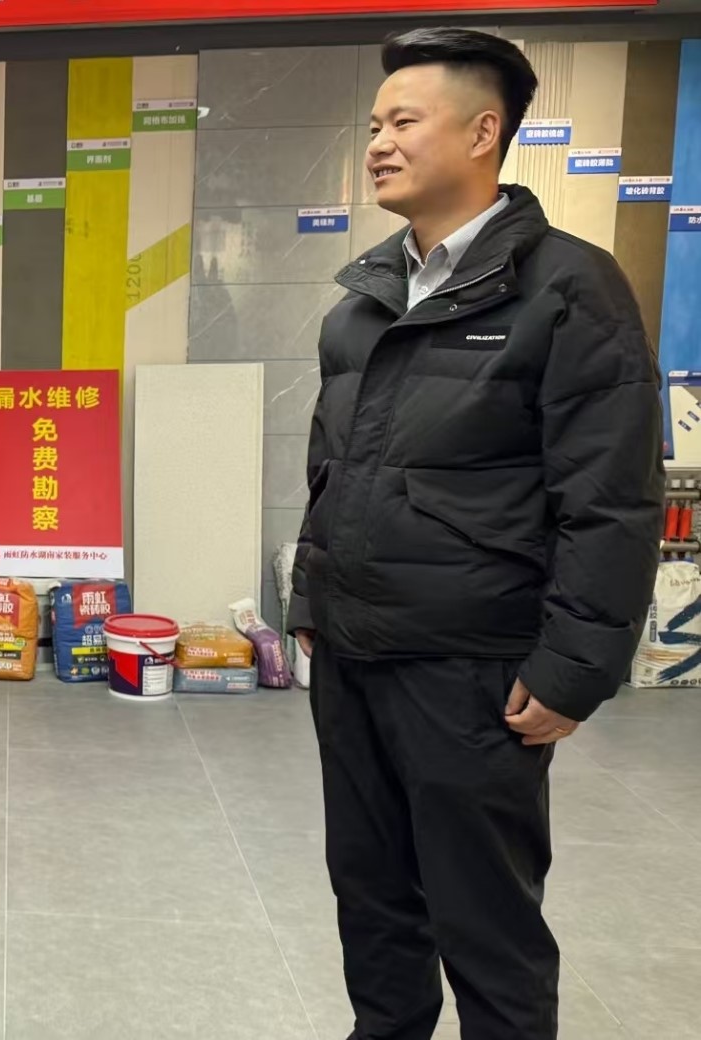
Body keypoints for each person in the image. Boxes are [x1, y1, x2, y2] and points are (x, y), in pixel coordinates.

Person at [288, 28, 665, 1040]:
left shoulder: (567, 287)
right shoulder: (362, 300)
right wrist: (311, 598)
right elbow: (330, 471)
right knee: (372, 902)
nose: (377, 143)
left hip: (472, 669)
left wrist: (574, 665)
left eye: (403, 122)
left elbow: (610, 495)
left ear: (482, 131)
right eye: (374, 124)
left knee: (485, 920)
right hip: (354, 659)